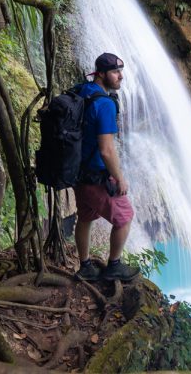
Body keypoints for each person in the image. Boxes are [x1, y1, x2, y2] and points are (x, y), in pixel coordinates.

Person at [74, 52, 139, 282]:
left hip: (78, 172)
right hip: (97, 176)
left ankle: (85, 267)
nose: (121, 77)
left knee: (85, 217)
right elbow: (107, 150)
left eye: (121, 71)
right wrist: (119, 177)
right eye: (115, 72)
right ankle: (114, 266)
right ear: (101, 73)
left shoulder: (83, 91)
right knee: (125, 216)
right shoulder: (105, 104)